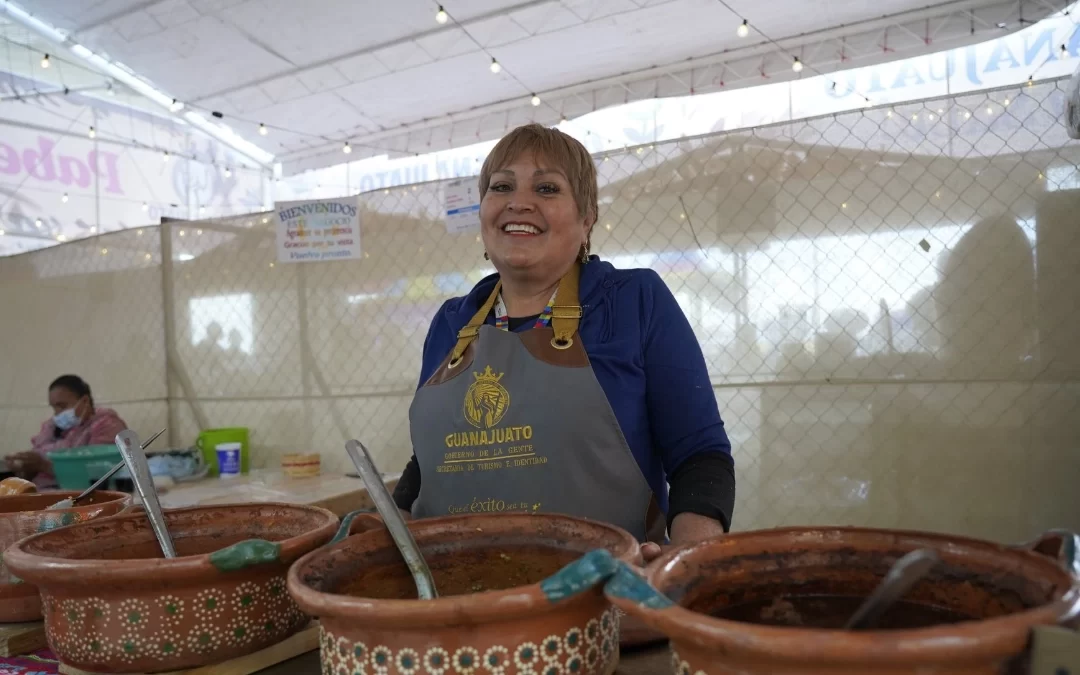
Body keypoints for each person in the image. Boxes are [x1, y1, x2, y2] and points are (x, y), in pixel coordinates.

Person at [393, 124, 735, 559]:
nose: (519, 202)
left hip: (607, 587)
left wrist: (685, 564)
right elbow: (428, 463)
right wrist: (387, 525)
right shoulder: (450, 322)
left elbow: (699, 457)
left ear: (587, 217)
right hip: (454, 583)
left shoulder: (634, 301)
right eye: (502, 186)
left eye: (547, 188)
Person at [4, 375, 128, 489]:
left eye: (62, 406)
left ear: (85, 401)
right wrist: (24, 467)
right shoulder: (51, 426)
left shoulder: (106, 425)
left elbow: (99, 474)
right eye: (54, 407)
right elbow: (36, 463)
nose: (57, 413)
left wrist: (43, 465)